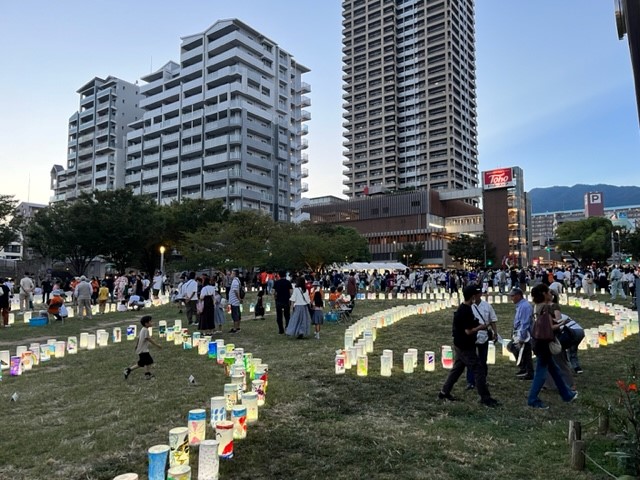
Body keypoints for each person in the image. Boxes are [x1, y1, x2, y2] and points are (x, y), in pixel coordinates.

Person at [438, 285, 499, 407]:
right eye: (477, 294)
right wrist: (481, 327)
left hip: (461, 344)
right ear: (472, 296)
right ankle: (485, 398)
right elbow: (468, 331)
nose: (479, 296)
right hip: (465, 345)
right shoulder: (464, 311)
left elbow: (472, 323)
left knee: (457, 369)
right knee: (478, 369)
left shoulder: (467, 308)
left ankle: (444, 392)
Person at [527, 284, 578, 409]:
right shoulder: (546, 308)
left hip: (538, 342)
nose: (551, 294)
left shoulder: (536, 307)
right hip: (544, 343)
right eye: (549, 292)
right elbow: (549, 327)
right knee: (541, 372)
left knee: (555, 370)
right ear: (544, 293)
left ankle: (567, 394)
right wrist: (563, 323)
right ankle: (532, 399)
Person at [466, 290, 499, 390]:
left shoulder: (487, 306)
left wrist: (495, 332)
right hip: (472, 335)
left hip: (484, 335)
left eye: (477, 294)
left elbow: (492, 320)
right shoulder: (469, 306)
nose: (475, 296)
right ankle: (470, 381)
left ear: (480, 294)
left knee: (483, 359)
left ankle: (482, 380)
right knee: (471, 359)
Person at [507, 287, 534, 380]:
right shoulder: (521, 305)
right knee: (513, 347)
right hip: (519, 331)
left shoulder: (524, 306)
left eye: (513, 296)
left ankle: (528, 371)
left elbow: (525, 322)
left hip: (525, 334)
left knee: (525, 352)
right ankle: (524, 368)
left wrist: (522, 337)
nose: (511, 298)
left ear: (518, 296)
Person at [123, 315, 161, 380]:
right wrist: (157, 345)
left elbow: (139, 338)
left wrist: (136, 345)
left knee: (142, 363)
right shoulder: (145, 330)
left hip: (141, 349)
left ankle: (128, 370)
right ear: (146, 323)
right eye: (150, 322)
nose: (152, 323)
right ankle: (147, 375)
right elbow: (148, 339)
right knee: (149, 361)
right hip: (143, 350)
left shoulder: (143, 329)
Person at [273, 270, 293, 334]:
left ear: (279, 275)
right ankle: (287, 328)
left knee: (279, 316)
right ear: (285, 275)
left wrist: (275, 297)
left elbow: (274, 292)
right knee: (287, 315)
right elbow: (290, 292)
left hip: (278, 301)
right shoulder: (288, 282)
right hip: (286, 300)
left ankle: (281, 330)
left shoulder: (276, 282)